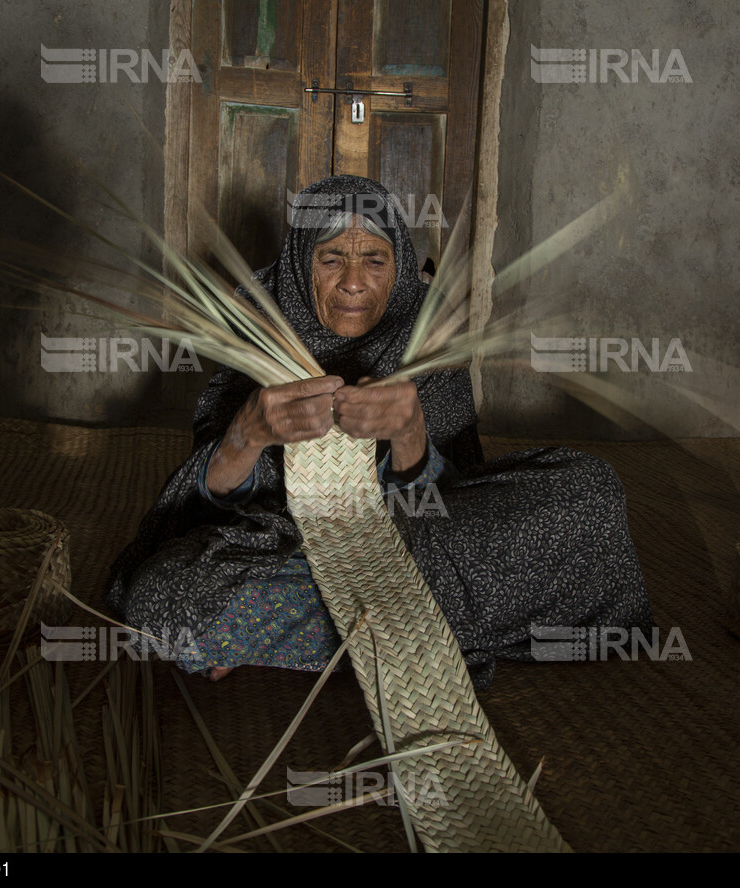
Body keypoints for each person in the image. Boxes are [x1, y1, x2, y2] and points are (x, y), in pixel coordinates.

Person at [105, 174, 653, 689]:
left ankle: (305, 631)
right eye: (332, 258)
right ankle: (415, 626)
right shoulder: (257, 341)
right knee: (160, 598)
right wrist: (245, 436)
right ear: (301, 263)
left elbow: (454, 502)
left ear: (399, 264)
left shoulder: (428, 344)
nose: (353, 282)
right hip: (287, 546)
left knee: (588, 488)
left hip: (416, 543)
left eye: (374, 258)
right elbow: (190, 516)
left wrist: (411, 436)